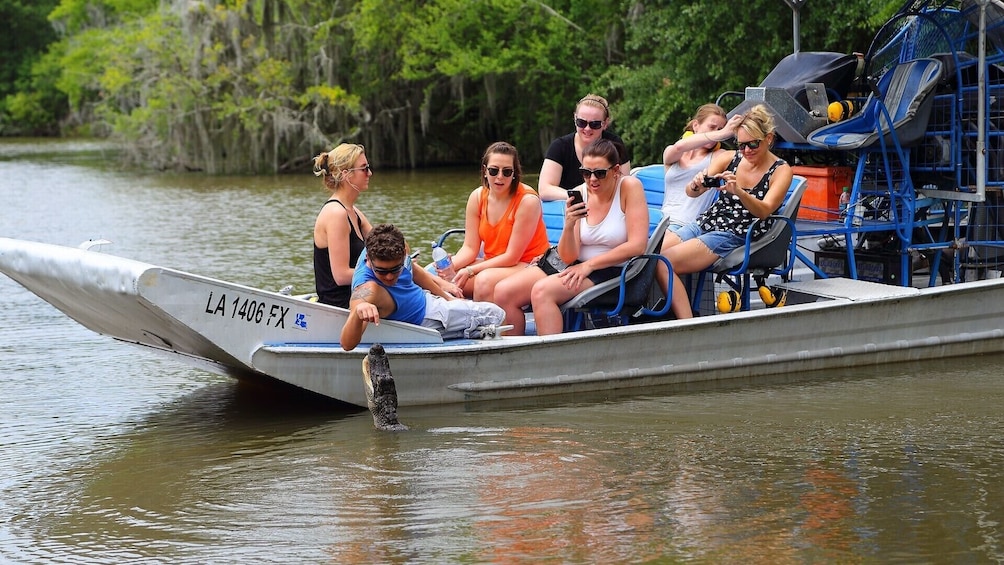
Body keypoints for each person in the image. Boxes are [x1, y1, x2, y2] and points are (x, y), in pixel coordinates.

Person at [493, 139, 649, 336]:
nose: (592, 180)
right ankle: (515, 357)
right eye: (586, 173)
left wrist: (589, 266)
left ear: (616, 170)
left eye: (600, 173)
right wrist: (569, 224)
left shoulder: (629, 187)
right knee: (503, 292)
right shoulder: (580, 193)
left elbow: (638, 245)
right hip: (575, 263)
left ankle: (550, 360)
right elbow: (568, 256)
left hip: (613, 268)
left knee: (542, 291)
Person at [658, 104, 794, 319]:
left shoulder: (781, 170)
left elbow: (764, 211)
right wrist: (696, 184)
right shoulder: (729, 158)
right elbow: (691, 193)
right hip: (705, 223)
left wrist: (739, 191)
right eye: (742, 145)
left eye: (753, 144)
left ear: (769, 139)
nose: (746, 151)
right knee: (649, 255)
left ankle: (687, 324)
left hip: (733, 234)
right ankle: (658, 314)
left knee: (663, 263)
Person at [340, 224, 506, 350]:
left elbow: (414, 271)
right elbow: (347, 344)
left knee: (483, 314)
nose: (389, 276)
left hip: (428, 299)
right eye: (382, 271)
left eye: (395, 269)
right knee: (497, 314)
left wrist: (446, 294)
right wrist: (358, 313)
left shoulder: (399, 247)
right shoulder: (366, 289)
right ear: (368, 258)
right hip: (427, 320)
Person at [442, 142, 551, 302]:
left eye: (506, 172)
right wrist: (450, 267)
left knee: (483, 280)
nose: (500, 177)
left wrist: (470, 270)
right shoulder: (477, 197)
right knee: (435, 276)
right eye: (494, 170)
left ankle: (481, 323)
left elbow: (512, 257)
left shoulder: (527, 201)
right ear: (485, 171)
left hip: (528, 264)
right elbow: (470, 247)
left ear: (514, 173)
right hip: (494, 262)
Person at [660, 104, 744, 240]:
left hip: (688, 225)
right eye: (712, 127)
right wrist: (722, 133)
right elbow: (680, 146)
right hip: (663, 220)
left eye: (721, 129)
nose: (717, 133)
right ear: (695, 125)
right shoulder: (675, 152)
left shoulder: (719, 156)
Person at [537, 94, 632, 201]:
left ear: (605, 124)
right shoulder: (559, 147)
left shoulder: (616, 145)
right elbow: (544, 190)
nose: (587, 129)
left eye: (595, 124)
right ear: (574, 119)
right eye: (581, 123)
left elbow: (624, 185)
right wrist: (578, 195)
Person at [312, 143, 374, 308]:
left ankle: (444, 291)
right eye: (364, 168)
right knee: (392, 280)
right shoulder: (336, 214)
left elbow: (384, 243)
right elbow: (341, 275)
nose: (370, 173)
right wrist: (384, 272)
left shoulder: (354, 211)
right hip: (342, 303)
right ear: (346, 174)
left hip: (360, 292)